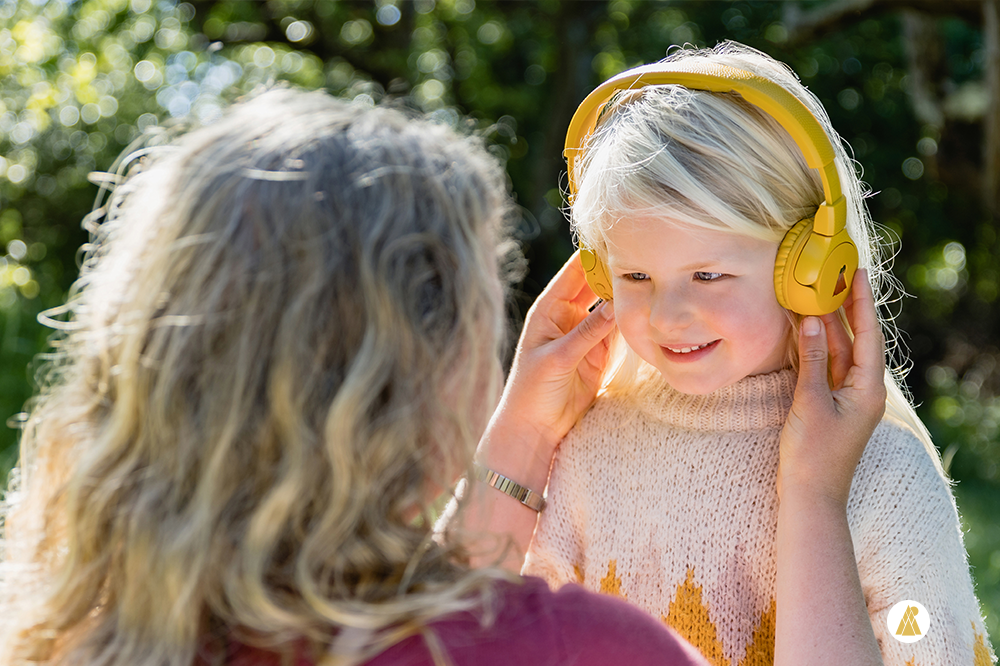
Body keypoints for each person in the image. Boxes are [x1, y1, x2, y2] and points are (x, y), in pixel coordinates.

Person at [0, 85, 891, 666]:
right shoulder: (583, 650)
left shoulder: (65, 630)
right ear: (419, 373)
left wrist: (522, 435)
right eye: (482, 309)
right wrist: (812, 494)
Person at [466, 43, 997, 666]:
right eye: (634, 276)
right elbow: (464, 635)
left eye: (708, 276)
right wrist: (523, 428)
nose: (668, 315)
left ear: (809, 268)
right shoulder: (591, 449)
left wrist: (816, 497)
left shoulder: (885, 477)